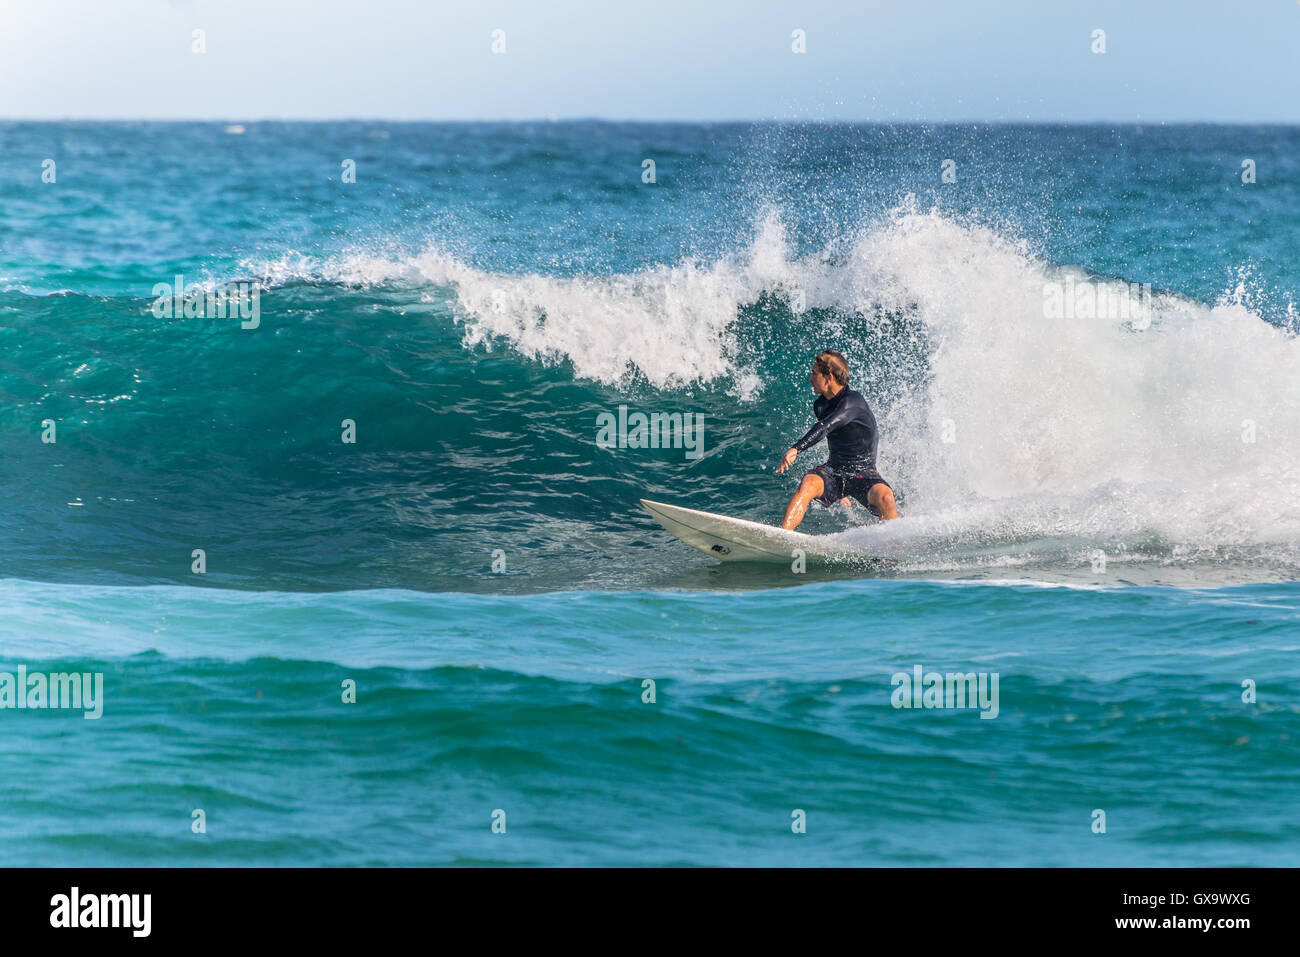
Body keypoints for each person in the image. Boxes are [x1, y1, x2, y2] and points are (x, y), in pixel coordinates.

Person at [775, 349, 898, 529]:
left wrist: (796, 448)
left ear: (829, 377)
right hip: (834, 470)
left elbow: (826, 427)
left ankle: (891, 549)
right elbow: (833, 435)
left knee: (885, 496)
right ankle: (782, 535)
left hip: (863, 473)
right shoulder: (821, 404)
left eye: (814, 373)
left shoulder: (853, 402)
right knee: (808, 483)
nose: (810, 379)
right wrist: (840, 490)